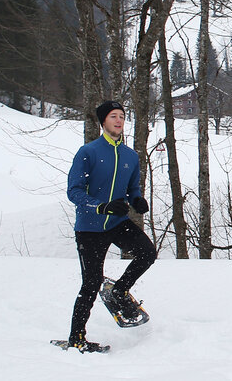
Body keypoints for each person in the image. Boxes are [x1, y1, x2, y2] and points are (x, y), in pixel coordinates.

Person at [65, 100, 156, 352]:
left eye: (122, 116)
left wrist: (136, 200)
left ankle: (119, 290)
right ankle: (76, 338)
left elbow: (132, 188)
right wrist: (101, 206)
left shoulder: (129, 156)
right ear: (103, 121)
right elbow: (74, 191)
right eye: (113, 116)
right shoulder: (89, 152)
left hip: (116, 223)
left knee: (148, 253)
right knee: (91, 283)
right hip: (90, 227)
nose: (119, 120)